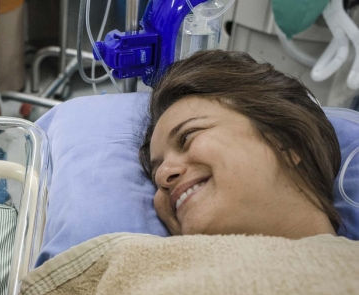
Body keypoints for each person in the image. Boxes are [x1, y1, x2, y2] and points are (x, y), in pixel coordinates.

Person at [139, 50, 341, 239]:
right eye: (155, 176)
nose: (163, 175)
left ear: (286, 141)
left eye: (187, 137)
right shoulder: (124, 259)